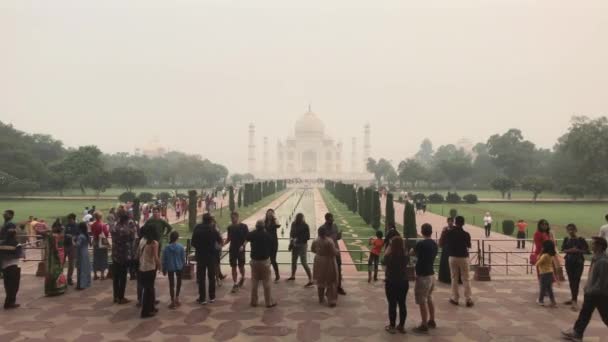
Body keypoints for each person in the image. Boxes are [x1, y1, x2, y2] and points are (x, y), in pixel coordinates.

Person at [561, 237, 608, 342]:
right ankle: (577, 333)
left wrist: (591, 290)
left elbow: (602, 281)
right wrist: (587, 287)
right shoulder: (596, 258)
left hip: (598, 294)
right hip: (592, 292)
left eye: (594, 244)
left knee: (604, 315)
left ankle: (577, 333)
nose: (592, 245)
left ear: (600, 246)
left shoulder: (603, 261)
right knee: (585, 314)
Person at [412, 224, 438, 333]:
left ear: (422, 232)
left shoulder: (421, 244)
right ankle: (431, 320)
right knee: (429, 298)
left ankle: (424, 324)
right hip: (431, 274)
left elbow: (411, 253)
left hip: (423, 275)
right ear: (431, 232)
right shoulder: (434, 244)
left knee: (422, 300)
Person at [191, 213, 222, 305]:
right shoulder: (213, 229)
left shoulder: (197, 228)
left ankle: (202, 298)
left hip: (200, 255)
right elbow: (220, 240)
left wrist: (199, 247)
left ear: (202, 219)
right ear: (210, 220)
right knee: (211, 276)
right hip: (211, 255)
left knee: (201, 277)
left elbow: (193, 243)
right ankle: (212, 297)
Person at [246, 219, 276, 308]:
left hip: (254, 261)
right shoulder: (267, 235)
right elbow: (272, 245)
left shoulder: (252, 234)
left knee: (254, 282)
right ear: (264, 227)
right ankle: (268, 302)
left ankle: (254, 301)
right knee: (266, 282)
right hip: (264, 261)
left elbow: (247, 237)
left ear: (256, 226)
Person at [383, 236, 409, 334]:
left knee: (392, 304)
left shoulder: (389, 256)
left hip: (391, 282)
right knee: (402, 304)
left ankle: (392, 326)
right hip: (403, 282)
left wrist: (388, 249)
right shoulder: (405, 255)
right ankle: (401, 326)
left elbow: (384, 261)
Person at [110, 207, 136, 304]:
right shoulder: (128, 227)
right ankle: (121, 297)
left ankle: (115, 297)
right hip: (124, 255)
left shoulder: (114, 226)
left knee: (116, 277)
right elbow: (133, 237)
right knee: (123, 277)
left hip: (115, 254)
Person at [446, 216, 473, 307]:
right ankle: (468, 299)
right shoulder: (466, 234)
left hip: (453, 257)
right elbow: (469, 245)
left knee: (454, 278)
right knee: (466, 278)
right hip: (463, 257)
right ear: (463, 223)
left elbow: (445, 244)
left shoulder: (450, 233)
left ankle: (455, 298)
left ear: (455, 222)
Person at [561, 224, 589, 311]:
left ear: (576, 229)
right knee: (571, 280)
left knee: (576, 280)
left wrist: (577, 251)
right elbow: (563, 249)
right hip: (569, 262)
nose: (571, 231)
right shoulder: (566, 239)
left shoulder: (581, 240)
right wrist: (570, 250)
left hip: (578, 262)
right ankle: (573, 298)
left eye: (572, 229)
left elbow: (587, 251)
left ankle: (574, 301)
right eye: (569, 230)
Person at [319, 213, 346, 295]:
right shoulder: (322, 228)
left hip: (336, 251)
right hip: (328, 253)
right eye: (331, 219)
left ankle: (338, 286)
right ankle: (328, 289)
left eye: (332, 219)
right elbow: (321, 241)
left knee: (338, 268)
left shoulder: (335, 226)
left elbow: (337, 237)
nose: (332, 220)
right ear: (327, 219)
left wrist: (339, 235)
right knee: (328, 271)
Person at [312, 226, 339, 307]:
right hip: (328, 261)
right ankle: (331, 300)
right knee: (331, 280)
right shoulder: (329, 241)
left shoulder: (315, 240)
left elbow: (313, 250)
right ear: (325, 233)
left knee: (320, 280)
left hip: (318, 260)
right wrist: (337, 251)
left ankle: (321, 298)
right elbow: (334, 252)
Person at [137, 227, 160, 318]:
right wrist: (161, 266)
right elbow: (155, 257)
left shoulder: (142, 240)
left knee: (148, 289)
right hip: (150, 268)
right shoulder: (154, 243)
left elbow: (138, 253)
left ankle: (151, 308)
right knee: (149, 290)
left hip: (142, 267)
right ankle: (146, 311)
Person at [225, 212, 249, 293]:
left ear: (237, 217)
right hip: (232, 249)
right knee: (233, 266)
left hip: (241, 249)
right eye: (231, 218)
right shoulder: (230, 227)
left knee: (241, 266)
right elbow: (228, 238)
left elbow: (247, 238)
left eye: (234, 218)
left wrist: (243, 245)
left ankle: (242, 277)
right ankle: (235, 283)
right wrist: (222, 244)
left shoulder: (244, 226)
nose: (232, 219)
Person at [0, 229, 24, 309]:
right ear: (14, 235)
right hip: (13, 266)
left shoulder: (2, 243)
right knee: (14, 286)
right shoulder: (17, 244)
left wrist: (5, 257)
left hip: (4, 267)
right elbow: (19, 255)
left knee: (7, 285)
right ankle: (10, 303)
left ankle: (8, 302)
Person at [288, 213, 313, 287]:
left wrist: (297, 239)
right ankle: (293, 276)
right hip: (295, 245)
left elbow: (307, 237)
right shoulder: (293, 224)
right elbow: (291, 234)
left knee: (303, 262)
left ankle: (311, 279)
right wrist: (291, 242)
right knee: (294, 261)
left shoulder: (305, 226)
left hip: (302, 245)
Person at [162, 231, 185, 309]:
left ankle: (172, 301)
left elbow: (164, 259)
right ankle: (177, 298)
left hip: (170, 267)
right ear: (177, 238)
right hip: (179, 266)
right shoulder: (181, 247)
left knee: (171, 284)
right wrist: (183, 266)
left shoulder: (166, 248)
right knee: (179, 282)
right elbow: (183, 258)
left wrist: (164, 268)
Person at [45, 220, 67, 296]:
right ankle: (59, 287)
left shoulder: (52, 235)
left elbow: (54, 247)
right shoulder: (60, 235)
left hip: (55, 255)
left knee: (54, 271)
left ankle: (54, 289)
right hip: (59, 254)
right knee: (58, 271)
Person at [536, 239, 558, 307]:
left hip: (544, 274)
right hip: (550, 273)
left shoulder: (544, 255)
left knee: (542, 288)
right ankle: (553, 301)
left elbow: (537, 263)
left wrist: (540, 253)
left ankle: (541, 300)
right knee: (549, 289)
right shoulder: (551, 255)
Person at [90, 212, 109, 280]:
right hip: (102, 242)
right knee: (103, 258)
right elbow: (106, 234)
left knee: (96, 258)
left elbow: (92, 232)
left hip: (95, 242)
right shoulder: (103, 225)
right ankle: (102, 275)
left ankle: (95, 274)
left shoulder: (93, 225)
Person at [264, 209, 281, 282]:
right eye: (268, 213)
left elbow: (279, 225)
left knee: (273, 260)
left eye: (271, 213)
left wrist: (274, 216)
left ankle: (277, 275)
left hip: (274, 243)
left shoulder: (274, 221)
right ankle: (266, 274)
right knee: (266, 260)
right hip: (266, 243)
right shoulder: (265, 222)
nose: (269, 215)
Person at [74, 222, 91, 290]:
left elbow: (77, 245)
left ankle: (81, 285)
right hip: (86, 252)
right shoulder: (86, 235)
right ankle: (86, 283)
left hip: (81, 253)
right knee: (86, 268)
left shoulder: (80, 236)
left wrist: (73, 240)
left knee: (81, 269)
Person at [438, 217, 454, 284]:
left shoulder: (455, 229)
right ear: (447, 222)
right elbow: (442, 239)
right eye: (449, 221)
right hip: (446, 249)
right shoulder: (445, 229)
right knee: (445, 263)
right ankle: (444, 278)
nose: (450, 222)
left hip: (453, 249)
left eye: (451, 221)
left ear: (453, 222)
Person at [64, 213, 78, 286]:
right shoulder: (67, 226)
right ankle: (60, 278)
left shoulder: (77, 226)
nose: (69, 221)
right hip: (65, 246)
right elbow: (64, 233)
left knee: (71, 264)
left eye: (70, 219)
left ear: (73, 219)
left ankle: (69, 278)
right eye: (68, 220)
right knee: (61, 262)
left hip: (72, 247)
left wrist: (73, 237)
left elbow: (78, 236)